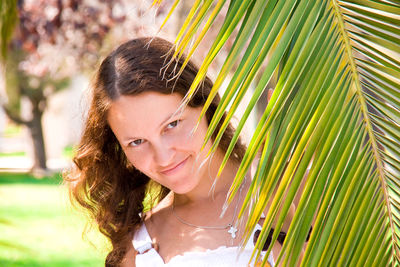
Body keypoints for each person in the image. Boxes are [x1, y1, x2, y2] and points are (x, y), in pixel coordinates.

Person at [65, 37, 284, 266]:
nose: (164, 157)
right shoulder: (139, 249)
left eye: (172, 125)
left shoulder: (291, 191)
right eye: (137, 141)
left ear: (205, 107)